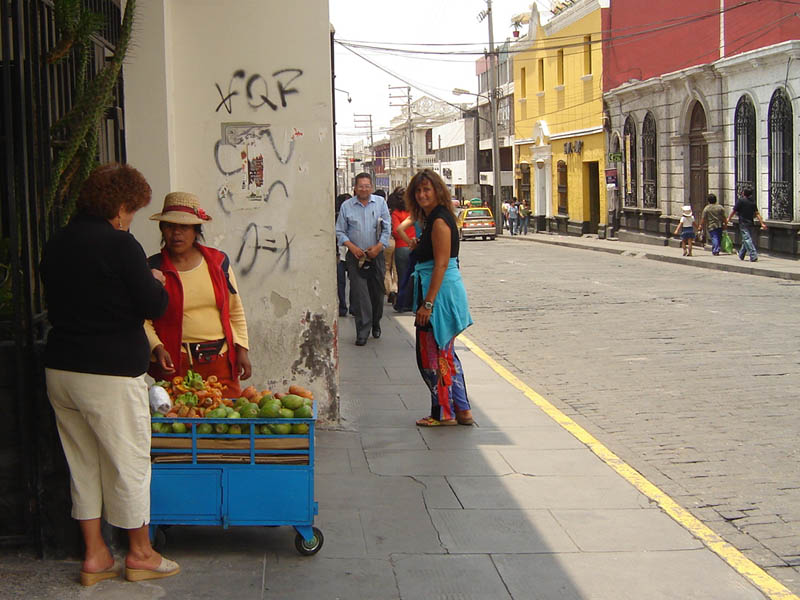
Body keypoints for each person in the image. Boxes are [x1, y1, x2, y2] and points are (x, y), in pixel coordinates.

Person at [40, 163, 180, 585]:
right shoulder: (121, 245)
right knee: (128, 461)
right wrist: (155, 279)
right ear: (119, 206)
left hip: (61, 368)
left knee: (82, 463)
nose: (130, 218)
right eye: (132, 210)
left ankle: (96, 555)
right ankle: (139, 553)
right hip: (111, 372)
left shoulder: (57, 242)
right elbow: (153, 306)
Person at [145, 192, 251, 397]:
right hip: (175, 364)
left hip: (221, 364)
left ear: (196, 230)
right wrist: (157, 347)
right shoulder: (153, 268)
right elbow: (144, 319)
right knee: (181, 423)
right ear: (162, 229)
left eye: (184, 227)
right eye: (169, 226)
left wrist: (242, 350)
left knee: (227, 422)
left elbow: (235, 309)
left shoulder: (219, 262)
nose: (176, 233)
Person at [405, 169, 474, 427]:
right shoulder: (434, 219)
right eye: (418, 191)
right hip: (440, 290)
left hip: (440, 294)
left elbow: (442, 264)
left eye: (427, 190)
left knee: (432, 356)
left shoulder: (440, 221)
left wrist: (429, 303)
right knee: (444, 353)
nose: (422, 195)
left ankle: (444, 412)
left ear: (437, 191)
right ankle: (462, 410)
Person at [335, 173, 391, 346]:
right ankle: (362, 331)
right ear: (355, 187)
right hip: (356, 257)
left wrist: (379, 247)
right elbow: (340, 231)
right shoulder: (347, 206)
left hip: (376, 255)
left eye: (367, 186)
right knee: (360, 295)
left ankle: (376, 322)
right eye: (361, 186)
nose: (364, 189)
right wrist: (351, 246)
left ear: (371, 188)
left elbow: (387, 228)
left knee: (377, 293)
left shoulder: (381, 203)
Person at [390, 187, 415, 312]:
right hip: (414, 247)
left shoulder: (396, 214)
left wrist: (405, 241)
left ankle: (402, 302)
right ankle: (413, 302)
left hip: (401, 247)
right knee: (414, 276)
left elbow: (396, 231)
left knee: (402, 276)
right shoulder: (414, 213)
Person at [727, 188, 767, 262]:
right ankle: (741, 254)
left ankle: (753, 255)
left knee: (747, 239)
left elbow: (734, 211)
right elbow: (757, 213)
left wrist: (729, 218)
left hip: (743, 223)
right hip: (751, 223)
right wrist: (762, 223)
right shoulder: (752, 202)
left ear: (743, 193)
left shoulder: (740, 201)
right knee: (746, 238)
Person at [335, 193, 351, 316]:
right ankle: (342, 306)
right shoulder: (335, 218)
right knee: (341, 282)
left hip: (352, 253)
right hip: (340, 254)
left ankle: (353, 306)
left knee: (355, 282)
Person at [383, 189, 399, 306]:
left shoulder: (387, 213)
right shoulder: (405, 213)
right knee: (395, 268)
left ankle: (389, 291)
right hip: (400, 242)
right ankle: (395, 288)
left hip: (388, 241)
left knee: (386, 268)